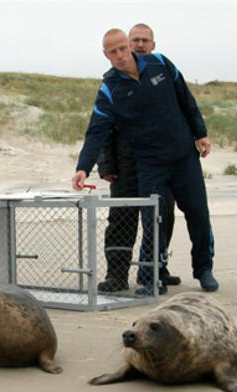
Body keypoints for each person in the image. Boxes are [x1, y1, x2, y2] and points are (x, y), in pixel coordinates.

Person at [72, 28, 219, 294]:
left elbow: (186, 99)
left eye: (122, 48)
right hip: (150, 163)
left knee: (198, 212)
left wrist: (201, 133)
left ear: (129, 46)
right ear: (106, 55)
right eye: (112, 52)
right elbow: (97, 130)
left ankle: (204, 269)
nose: (119, 55)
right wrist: (83, 167)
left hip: (183, 155)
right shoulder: (110, 89)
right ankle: (153, 279)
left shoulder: (159, 63)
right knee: (155, 219)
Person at [96, 23, 180, 294]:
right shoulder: (112, 83)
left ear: (153, 45)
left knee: (161, 216)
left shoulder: (160, 75)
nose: (139, 45)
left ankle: (154, 271)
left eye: (145, 41)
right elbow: (101, 128)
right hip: (123, 166)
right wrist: (106, 165)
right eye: (135, 41)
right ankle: (116, 275)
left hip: (158, 164)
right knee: (121, 220)